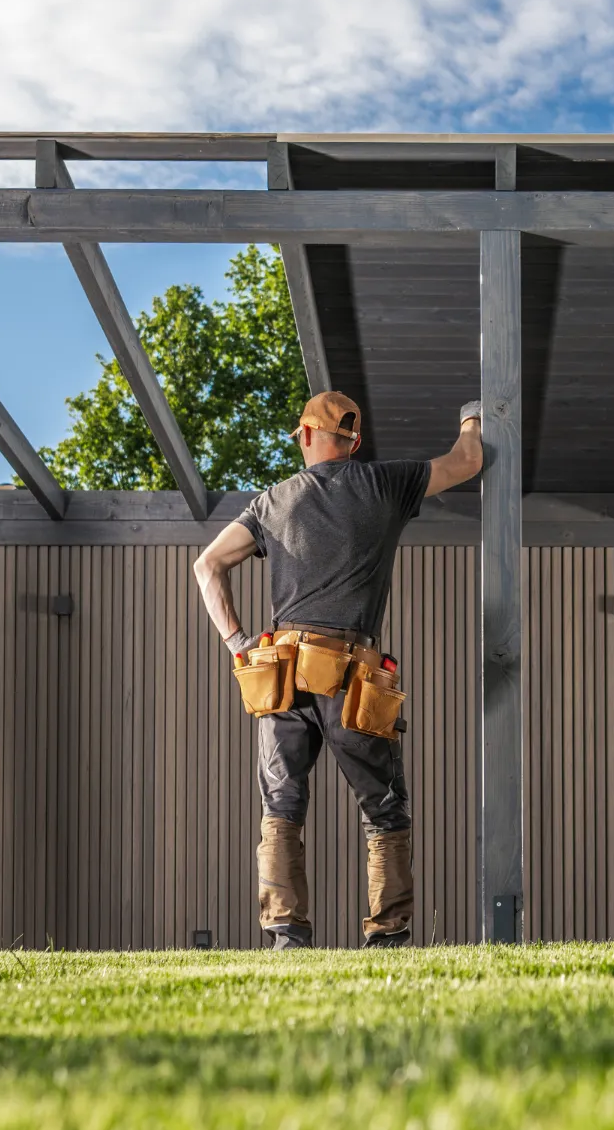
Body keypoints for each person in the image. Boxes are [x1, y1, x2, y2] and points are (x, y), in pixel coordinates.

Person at [192, 391, 485, 948]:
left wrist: (238, 644)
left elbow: (206, 566)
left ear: (305, 435)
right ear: (355, 441)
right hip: (354, 675)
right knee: (384, 809)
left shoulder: (272, 502)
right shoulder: (385, 484)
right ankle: (388, 935)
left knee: (281, 807)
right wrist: (471, 414)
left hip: (283, 675)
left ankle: (286, 937)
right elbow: (467, 461)